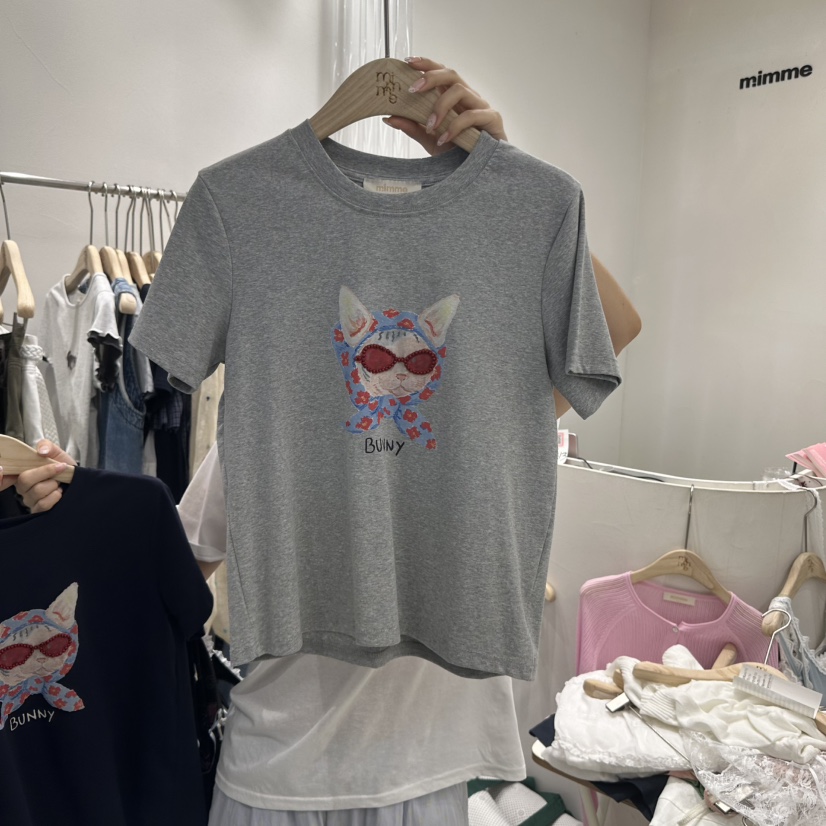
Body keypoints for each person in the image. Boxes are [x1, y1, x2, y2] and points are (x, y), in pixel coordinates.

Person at [2, 58, 641, 825]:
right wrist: (75, 504)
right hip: (282, 777)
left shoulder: (496, 381)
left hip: (430, 772)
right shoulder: (260, 422)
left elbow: (614, 333)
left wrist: (511, 187)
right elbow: (164, 568)